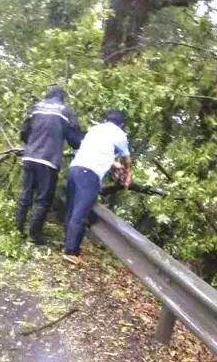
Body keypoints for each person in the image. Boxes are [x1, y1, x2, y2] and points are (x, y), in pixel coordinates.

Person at [63, 109, 131, 264]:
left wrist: (113, 164)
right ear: (121, 124)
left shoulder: (95, 130)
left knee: (71, 209)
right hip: (89, 175)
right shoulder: (119, 134)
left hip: (75, 169)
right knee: (80, 212)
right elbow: (127, 160)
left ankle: (66, 243)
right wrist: (127, 174)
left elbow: (96, 151)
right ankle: (71, 251)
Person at [16, 84, 83, 244]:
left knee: (25, 194)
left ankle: (17, 230)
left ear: (48, 95)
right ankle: (34, 235)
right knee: (43, 198)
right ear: (62, 97)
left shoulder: (36, 107)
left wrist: (33, 143)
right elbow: (75, 140)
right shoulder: (66, 111)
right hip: (48, 160)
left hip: (29, 156)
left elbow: (24, 132)